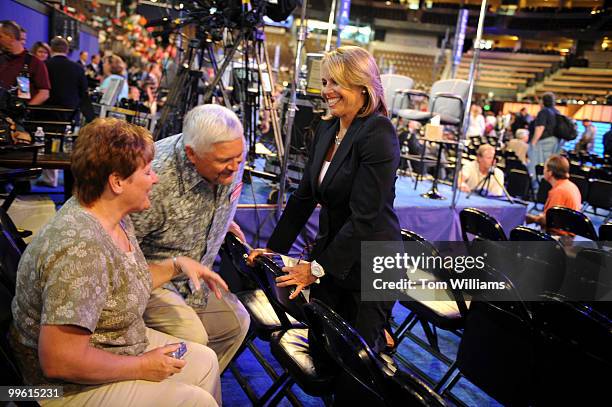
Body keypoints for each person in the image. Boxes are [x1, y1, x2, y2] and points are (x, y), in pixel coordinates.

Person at [10, 118, 224, 406]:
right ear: (117, 181)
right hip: (53, 389)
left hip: (115, 343)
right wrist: (141, 366)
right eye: (148, 172)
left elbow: (122, 281)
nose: (156, 179)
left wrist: (176, 264)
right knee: (196, 401)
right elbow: (59, 361)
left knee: (206, 361)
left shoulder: (113, 217)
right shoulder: (81, 248)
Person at [247, 45, 401, 403]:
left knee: (359, 367)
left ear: (363, 86)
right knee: (327, 351)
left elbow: (365, 217)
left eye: (338, 82)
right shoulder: (327, 128)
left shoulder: (378, 132)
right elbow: (303, 198)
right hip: (334, 254)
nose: (328, 90)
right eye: (325, 81)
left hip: (372, 262)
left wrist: (315, 269)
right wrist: (275, 248)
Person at [131, 104, 250, 373]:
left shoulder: (230, 153)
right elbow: (117, 254)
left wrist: (221, 221)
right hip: (153, 278)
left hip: (198, 277)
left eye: (239, 157)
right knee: (195, 340)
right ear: (191, 154)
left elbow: (220, 190)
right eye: (224, 161)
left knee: (237, 323)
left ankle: (199, 388)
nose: (234, 168)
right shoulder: (155, 180)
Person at [526, 154, 581, 235]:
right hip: (566, 237)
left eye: (545, 168)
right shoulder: (572, 186)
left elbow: (550, 221)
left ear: (550, 173)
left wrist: (532, 218)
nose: (543, 170)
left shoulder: (559, 191)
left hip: (557, 239)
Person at [0, 20, 50, 105]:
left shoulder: (34, 63)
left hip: (19, 115)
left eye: (0, 36)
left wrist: (25, 110)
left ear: (10, 37)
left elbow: (44, 93)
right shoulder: (2, 59)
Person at [527, 92, 560, 182]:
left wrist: (533, 143)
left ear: (543, 101)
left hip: (543, 142)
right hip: (555, 143)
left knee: (537, 166)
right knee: (548, 167)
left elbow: (540, 128)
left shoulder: (544, 112)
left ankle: (536, 188)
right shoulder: (556, 112)